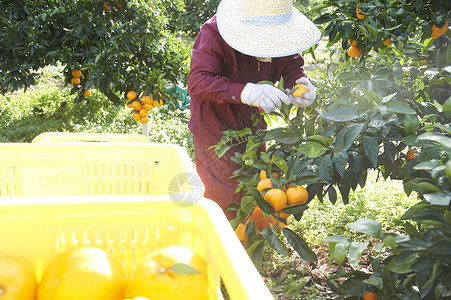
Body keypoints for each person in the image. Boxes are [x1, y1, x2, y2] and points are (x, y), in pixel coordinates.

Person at [187, 0, 321, 219]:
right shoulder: (215, 32)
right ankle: (226, 247)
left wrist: (299, 82)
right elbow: (198, 81)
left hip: (252, 124)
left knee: (257, 183)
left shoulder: (281, 35)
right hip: (215, 126)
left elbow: (292, 64)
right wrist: (243, 92)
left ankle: (253, 239)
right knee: (223, 195)